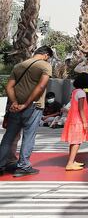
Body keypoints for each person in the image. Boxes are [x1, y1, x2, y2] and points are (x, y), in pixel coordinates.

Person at [0, 45, 53, 177]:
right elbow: (41, 86)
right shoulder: (45, 66)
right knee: (29, 136)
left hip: (15, 108)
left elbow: (9, 86)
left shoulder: (19, 66)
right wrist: (26, 104)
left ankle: (1, 164)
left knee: (9, 137)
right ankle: (23, 166)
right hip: (33, 107)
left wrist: (15, 103)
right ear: (46, 55)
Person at [61, 72, 88, 171]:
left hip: (73, 119)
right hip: (78, 120)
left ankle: (72, 160)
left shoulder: (75, 91)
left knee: (73, 142)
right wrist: (85, 123)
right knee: (77, 142)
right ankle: (70, 163)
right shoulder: (82, 93)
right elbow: (81, 109)